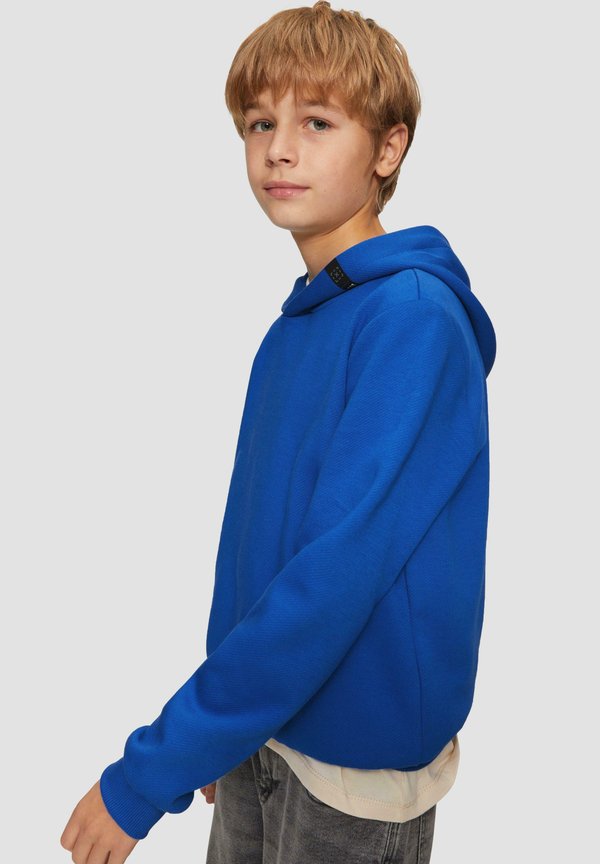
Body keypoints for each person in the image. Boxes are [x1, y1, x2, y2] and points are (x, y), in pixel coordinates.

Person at [59, 2, 496, 862]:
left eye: (317, 121)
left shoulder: (411, 322)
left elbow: (336, 573)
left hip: (351, 774)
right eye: (260, 123)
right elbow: (260, 550)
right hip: (265, 735)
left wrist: (159, 764)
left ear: (388, 149)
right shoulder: (299, 326)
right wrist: (223, 730)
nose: (278, 149)